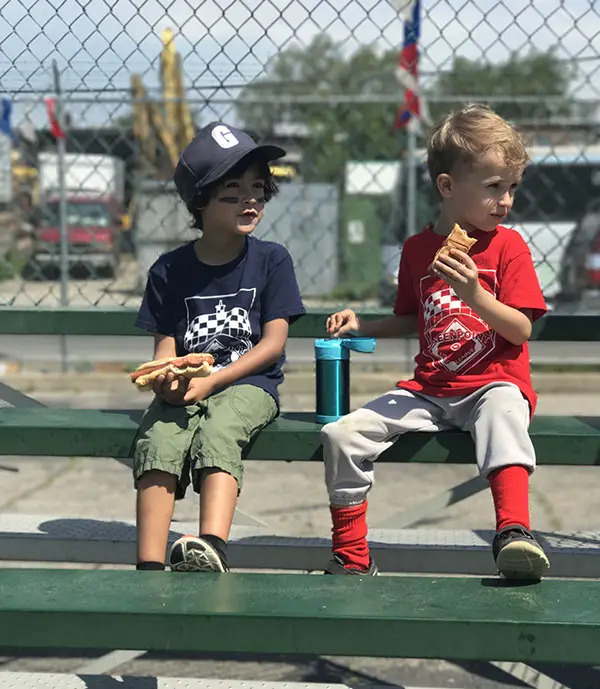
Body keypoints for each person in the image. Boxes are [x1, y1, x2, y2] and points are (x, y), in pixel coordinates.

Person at [322, 103, 549, 580]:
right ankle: (351, 553)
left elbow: (521, 329)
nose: (505, 200)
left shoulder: (509, 247)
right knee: (341, 434)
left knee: (506, 416)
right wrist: (362, 325)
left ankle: (513, 533)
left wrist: (475, 294)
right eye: (493, 188)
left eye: (511, 188)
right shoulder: (417, 249)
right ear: (447, 186)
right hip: (429, 389)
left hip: (493, 384)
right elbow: (411, 318)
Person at [133, 122, 305, 573]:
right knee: (159, 437)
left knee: (219, 431)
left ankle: (211, 545)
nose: (250, 199)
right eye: (232, 191)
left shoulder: (271, 260)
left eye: (258, 188)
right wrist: (165, 379)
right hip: (189, 386)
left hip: (247, 383)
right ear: (200, 202)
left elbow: (273, 344)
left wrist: (213, 381)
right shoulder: (169, 270)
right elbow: (165, 347)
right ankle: (148, 565)